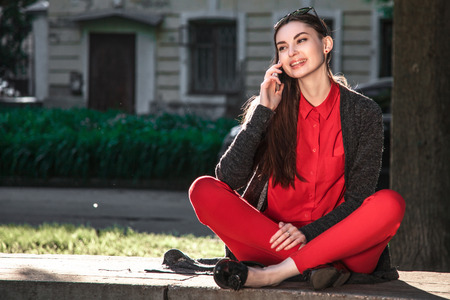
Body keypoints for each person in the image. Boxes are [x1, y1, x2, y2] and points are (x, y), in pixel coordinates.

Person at [189, 7, 405, 291]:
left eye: (301, 40)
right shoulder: (270, 106)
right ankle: (318, 268)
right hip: (274, 240)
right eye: (282, 47)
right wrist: (263, 111)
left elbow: (357, 199)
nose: (291, 52)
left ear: (326, 44)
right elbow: (227, 178)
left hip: (343, 244)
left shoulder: (363, 112)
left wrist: (307, 234)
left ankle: (275, 274)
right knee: (202, 189)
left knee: (390, 203)